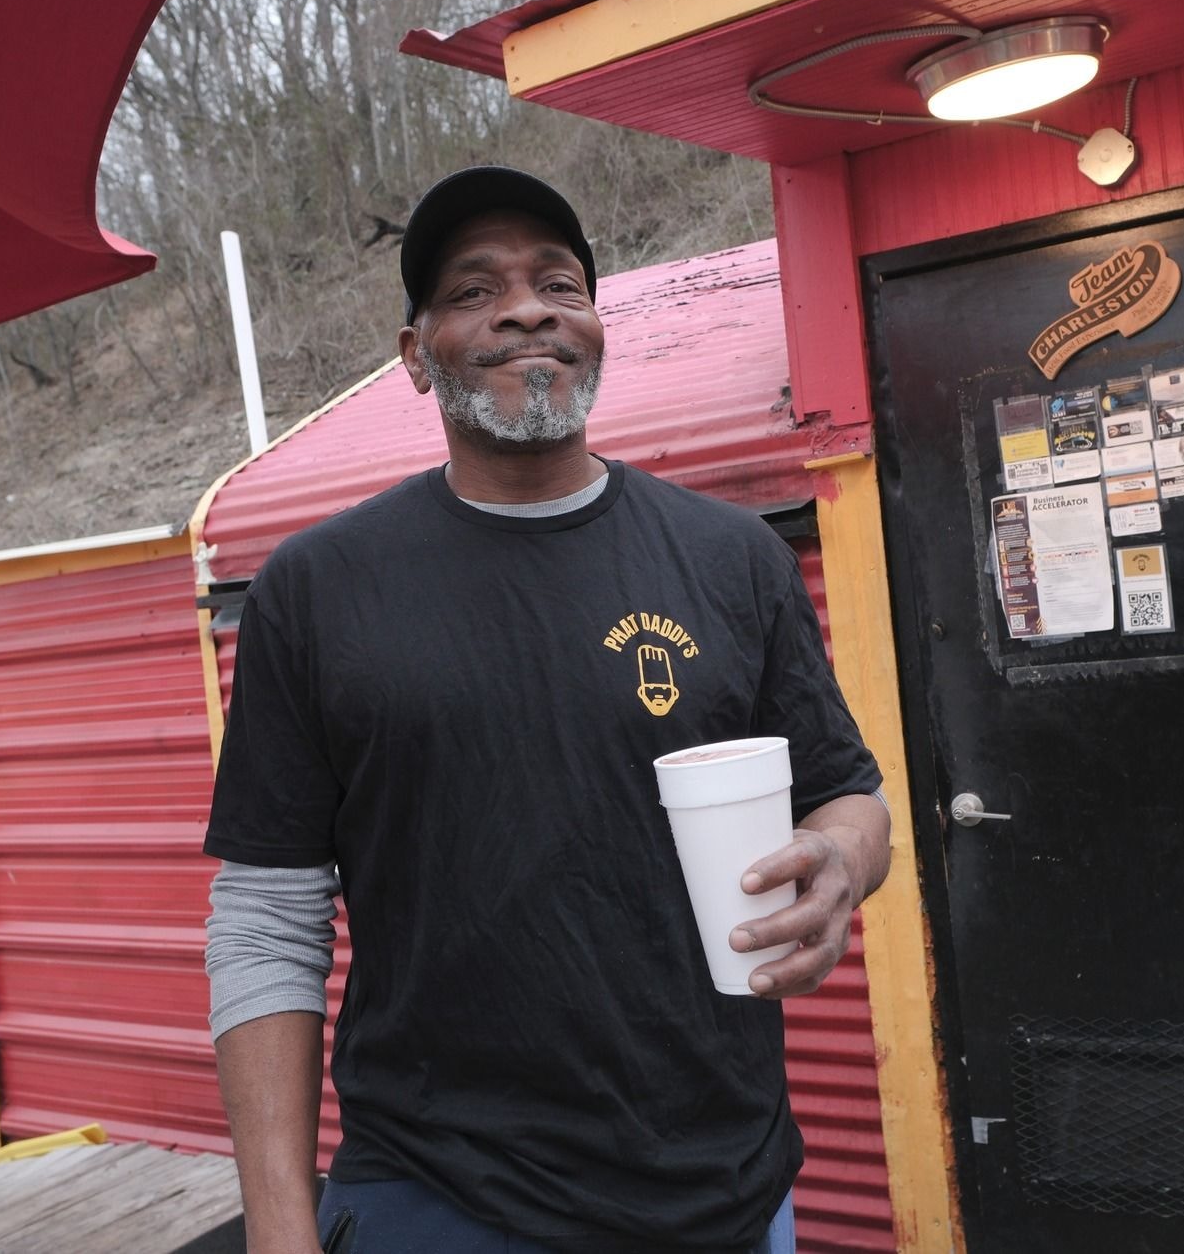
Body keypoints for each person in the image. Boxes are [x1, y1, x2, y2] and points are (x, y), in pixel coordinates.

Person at [202, 166, 891, 1254]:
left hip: (726, 1184)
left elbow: (845, 791)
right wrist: (279, 1227)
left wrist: (839, 866)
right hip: (440, 1199)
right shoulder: (319, 587)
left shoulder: (730, 559)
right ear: (415, 357)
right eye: (473, 292)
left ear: (596, 331)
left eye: (557, 284)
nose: (526, 307)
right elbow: (266, 919)